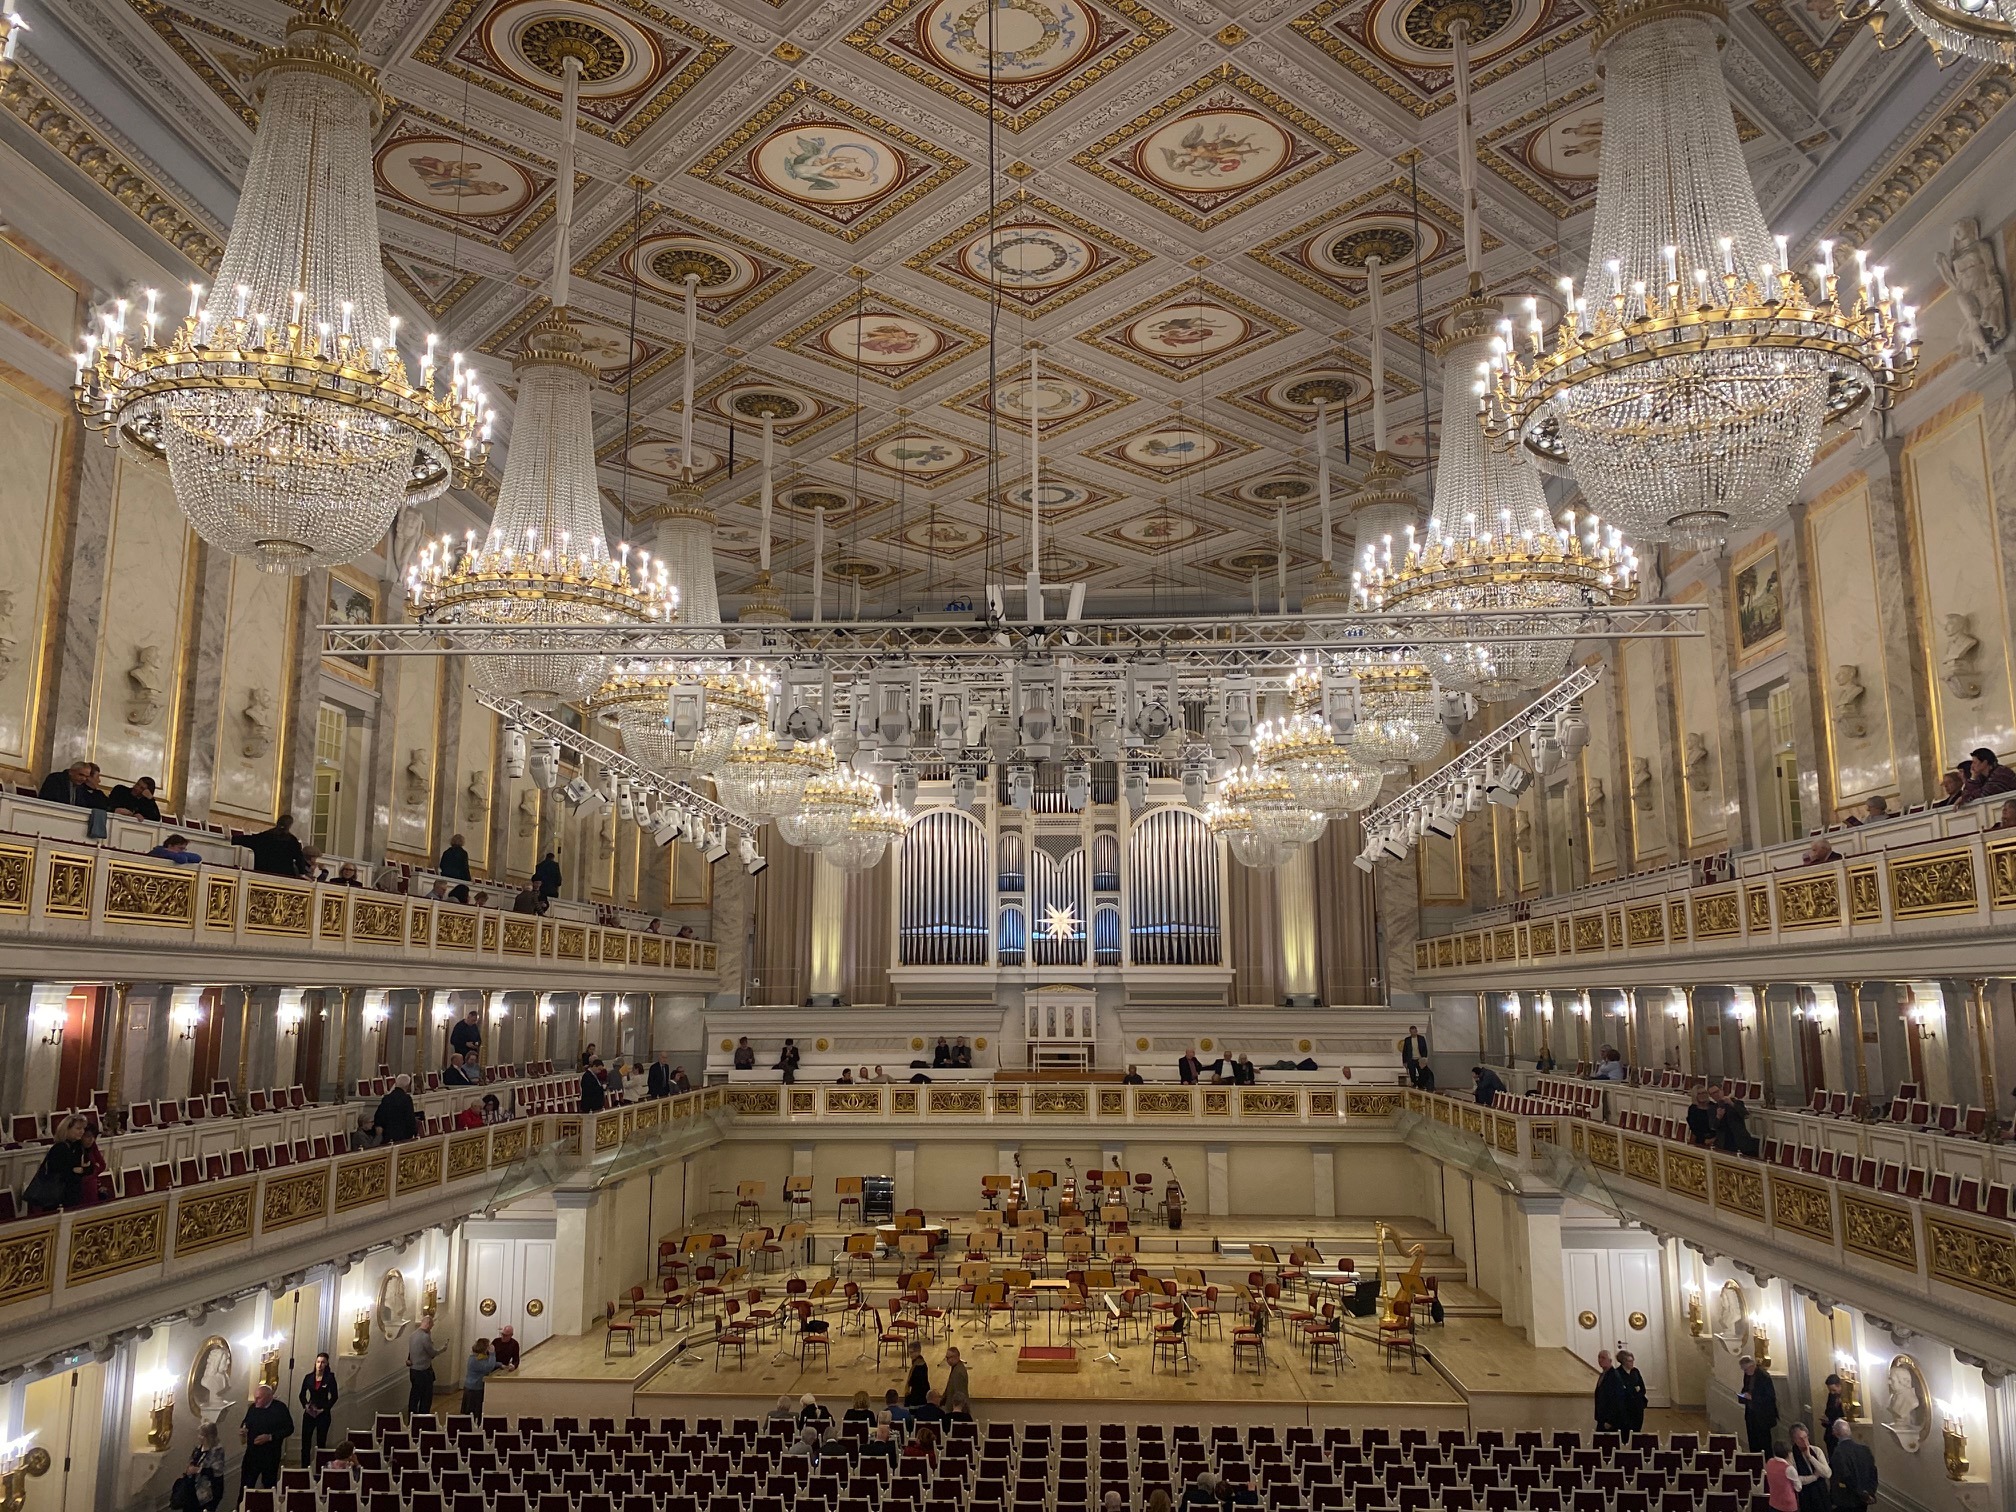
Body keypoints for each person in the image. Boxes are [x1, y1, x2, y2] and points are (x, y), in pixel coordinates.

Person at [24, 1114, 91, 1213]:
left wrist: (81, 1170)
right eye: (78, 1128)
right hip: (57, 1197)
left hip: (72, 1195)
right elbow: (59, 1172)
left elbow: (90, 1167)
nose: (82, 1132)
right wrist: (76, 1170)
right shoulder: (60, 1148)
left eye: (83, 1128)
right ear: (67, 1129)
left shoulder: (77, 1147)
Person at [238, 1384, 294, 1491]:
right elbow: (246, 1422)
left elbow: (289, 1429)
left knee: (269, 1486)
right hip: (252, 1454)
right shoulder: (253, 1408)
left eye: (259, 1398)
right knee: (245, 1486)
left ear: (269, 1397)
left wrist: (270, 1437)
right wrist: (243, 1430)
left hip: (270, 1455)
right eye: (255, 1397)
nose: (256, 1401)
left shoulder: (280, 1408)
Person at [298, 1352, 338, 1466]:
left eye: (323, 1362)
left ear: (327, 1364)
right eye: (318, 1362)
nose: (320, 1365)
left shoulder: (330, 1378)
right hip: (310, 1413)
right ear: (315, 1363)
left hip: (323, 1414)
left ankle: (320, 1468)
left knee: (321, 1442)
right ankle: (304, 1468)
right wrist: (305, 1405)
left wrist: (324, 1409)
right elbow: (301, 1395)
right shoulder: (308, 1377)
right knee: (305, 1443)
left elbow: (334, 1397)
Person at [235, 815, 308, 877]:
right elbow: (299, 857)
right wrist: (302, 874)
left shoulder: (264, 836)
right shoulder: (292, 840)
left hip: (263, 875)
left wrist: (233, 838)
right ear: (290, 825)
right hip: (284, 877)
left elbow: (249, 839)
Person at [1828, 1418, 1878, 1509]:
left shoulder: (1838, 1453)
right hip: (1864, 1499)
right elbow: (1873, 1473)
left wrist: (1861, 1494)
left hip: (1847, 1499)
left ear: (1835, 1433)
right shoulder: (1865, 1450)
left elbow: (1845, 1477)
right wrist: (1869, 1493)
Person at [1786, 1423, 1831, 1512]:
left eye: (1806, 1437)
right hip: (1805, 1496)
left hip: (1821, 1494)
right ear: (1794, 1440)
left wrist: (1810, 1457)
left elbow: (1827, 1473)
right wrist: (1814, 1477)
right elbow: (1797, 1480)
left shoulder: (1816, 1450)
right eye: (1801, 1439)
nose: (1805, 1441)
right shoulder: (1791, 1456)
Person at [1740, 1354, 1779, 1453]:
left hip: (1763, 1416)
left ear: (1752, 1366)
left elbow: (1770, 1397)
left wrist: (1753, 1397)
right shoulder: (1747, 1375)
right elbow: (1746, 1388)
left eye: (1746, 1369)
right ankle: (1755, 1462)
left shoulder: (1763, 1376)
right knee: (1753, 1441)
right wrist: (1743, 1395)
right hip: (1751, 1415)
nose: (1745, 1372)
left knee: (1764, 1443)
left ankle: (1766, 1464)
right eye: (1744, 1370)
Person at [181, 1422, 225, 1510]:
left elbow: (217, 1471)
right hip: (193, 1489)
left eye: (202, 1435)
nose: (199, 1437)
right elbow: (192, 1461)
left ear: (209, 1436)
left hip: (208, 1491)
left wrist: (198, 1470)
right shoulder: (198, 1448)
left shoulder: (217, 1451)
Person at [406, 1317, 444, 1416]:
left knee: (414, 1394)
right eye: (432, 1325)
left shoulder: (413, 1335)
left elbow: (411, 1352)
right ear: (427, 1324)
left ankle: (412, 1417)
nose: (432, 1327)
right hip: (423, 1371)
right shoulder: (424, 1337)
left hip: (413, 1370)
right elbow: (431, 1353)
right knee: (426, 1396)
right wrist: (442, 1350)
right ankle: (424, 1418)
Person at [370, 1074, 419, 1145]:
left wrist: (379, 1126)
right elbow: (410, 1118)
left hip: (388, 1135)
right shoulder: (406, 1099)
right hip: (403, 1137)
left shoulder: (387, 1098)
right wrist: (414, 1132)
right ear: (407, 1086)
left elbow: (379, 1116)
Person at [460, 1338, 503, 1416]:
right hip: (473, 1389)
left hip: (475, 1387)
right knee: (473, 1413)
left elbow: (487, 1362)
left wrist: (500, 1365)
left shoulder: (480, 1356)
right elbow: (488, 1366)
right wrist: (492, 1353)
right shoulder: (474, 1359)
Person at [38, 760, 106, 808]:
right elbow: (49, 800)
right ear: (71, 772)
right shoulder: (55, 779)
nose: (83, 779)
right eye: (81, 775)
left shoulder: (81, 787)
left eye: (86, 776)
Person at [1612, 1349, 1648, 1433]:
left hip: (1637, 1405)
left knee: (1637, 1428)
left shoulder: (1635, 1371)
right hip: (1625, 1407)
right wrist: (1634, 1390)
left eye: (1632, 1360)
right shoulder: (1617, 1373)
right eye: (1629, 1361)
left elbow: (1642, 1388)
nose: (1632, 1363)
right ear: (1623, 1361)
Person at [1715, 1091, 1760, 1157]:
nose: (1716, 1094)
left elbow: (1745, 1115)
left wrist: (1731, 1103)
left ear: (1721, 1091)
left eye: (1717, 1092)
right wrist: (1718, 1117)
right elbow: (1713, 1126)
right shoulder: (1713, 1107)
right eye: (1713, 1093)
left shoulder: (1736, 1103)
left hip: (1740, 1139)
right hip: (1725, 1142)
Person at [439, 833, 472, 903]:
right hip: (459, 878)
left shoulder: (447, 852)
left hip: (446, 876)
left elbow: (442, 865)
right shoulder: (463, 853)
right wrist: (469, 879)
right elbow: (465, 868)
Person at [1592, 1349, 1618, 1430]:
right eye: (1599, 1357)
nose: (1600, 1360)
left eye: (1603, 1358)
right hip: (1601, 1417)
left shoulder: (1614, 1376)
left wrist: (1610, 1420)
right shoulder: (1603, 1374)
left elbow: (1616, 1399)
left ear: (1610, 1360)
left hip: (1609, 1420)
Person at [943, 1346, 971, 1419]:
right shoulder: (956, 1368)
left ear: (957, 1357)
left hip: (957, 1412)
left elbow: (959, 1394)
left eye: (950, 1357)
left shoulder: (958, 1372)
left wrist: (956, 1410)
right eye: (947, 1358)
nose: (948, 1360)